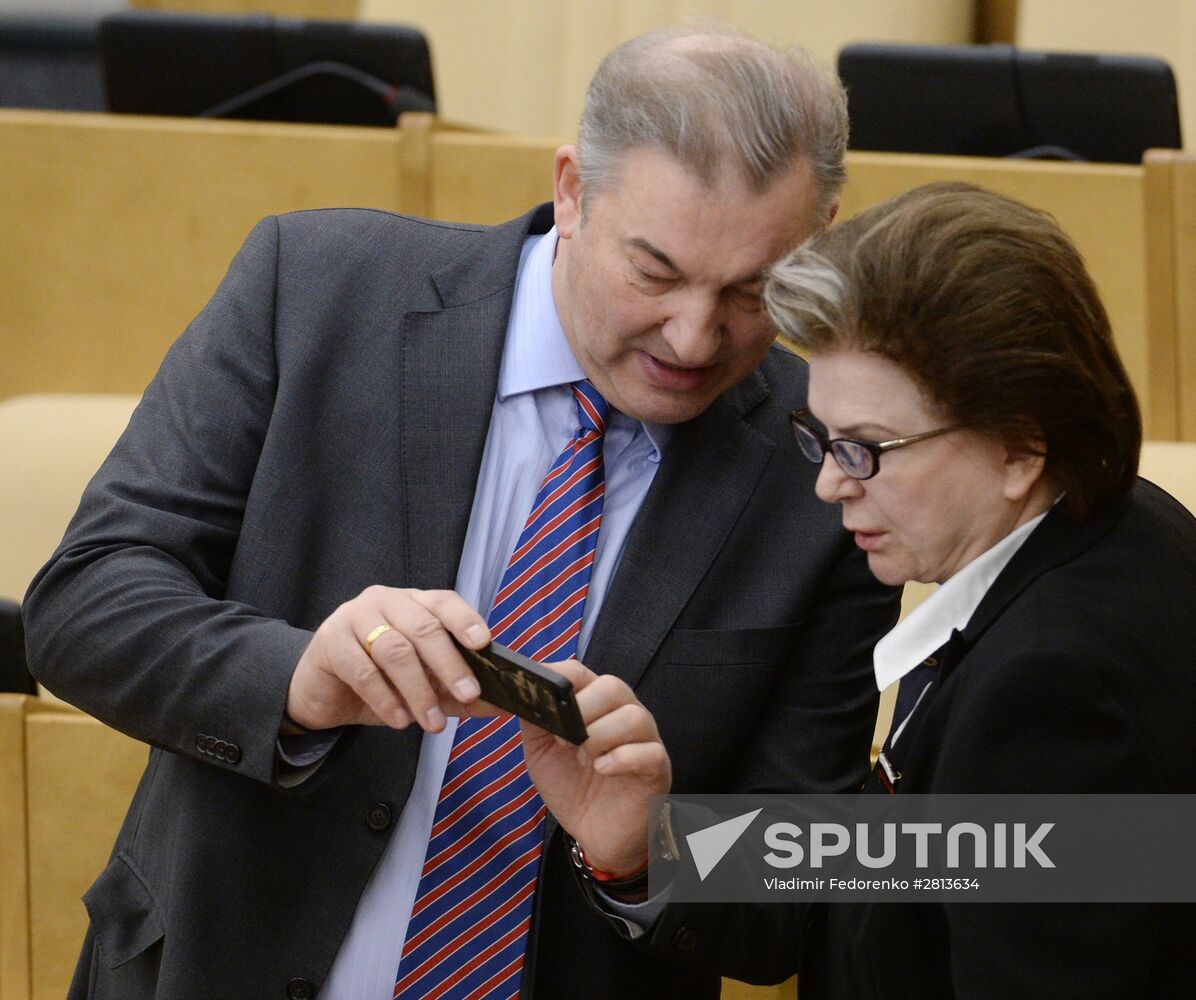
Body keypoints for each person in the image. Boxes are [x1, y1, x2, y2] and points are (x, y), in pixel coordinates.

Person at [22, 25, 900, 1000]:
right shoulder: (310, 287)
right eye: (652, 273)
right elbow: (84, 603)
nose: (693, 337)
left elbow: (791, 886)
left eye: (751, 290)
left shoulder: (825, 475)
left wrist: (649, 848)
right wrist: (295, 679)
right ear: (572, 190)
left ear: (820, 231)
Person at [538, 182, 1196, 997]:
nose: (830, 486)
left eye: (866, 450)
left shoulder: (1049, 691)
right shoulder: (1130, 529)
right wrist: (649, 849)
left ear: (1018, 449)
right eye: (821, 439)